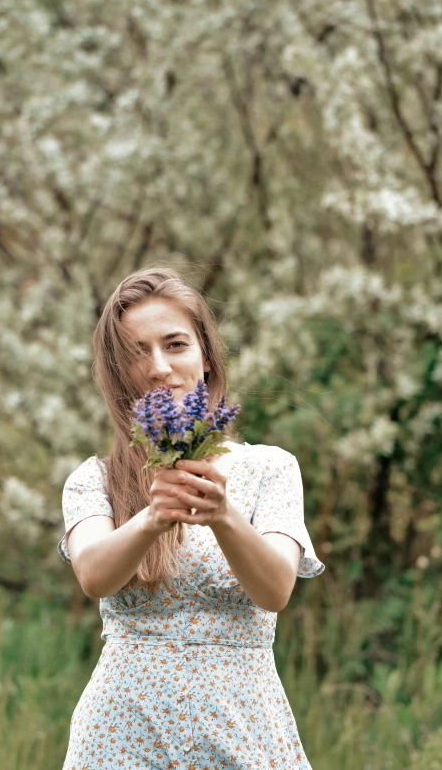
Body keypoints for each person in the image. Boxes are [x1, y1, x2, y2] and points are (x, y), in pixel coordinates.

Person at [57, 266, 325, 769]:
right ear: (119, 372)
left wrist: (223, 515)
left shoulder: (271, 468)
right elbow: (94, 575)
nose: (159, 367)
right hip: (122, 736)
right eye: (138, 353)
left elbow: (276, 590)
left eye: (175, 344)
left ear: (205, 356)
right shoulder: (94, 479)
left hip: (242, 727)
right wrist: (153, 518)